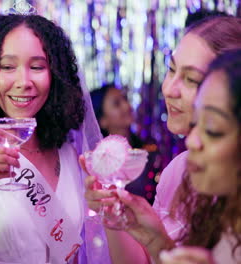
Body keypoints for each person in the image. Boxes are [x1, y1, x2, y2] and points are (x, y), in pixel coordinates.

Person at [0, 10, 110, 264]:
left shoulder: (66, 151)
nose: (24, 81)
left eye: (37, 67)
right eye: (8, 67)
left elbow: (70, 252)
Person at [83, 16, 241, 264]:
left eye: (191, 79)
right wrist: (150, 237)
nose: (169, 89)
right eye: (171, 69)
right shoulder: (177, 171)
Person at [159, 49, 241, 264]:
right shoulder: (218, 218)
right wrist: (153, 239)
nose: (191, 141)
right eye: (196, 122)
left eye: (213, 129)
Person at [90, 83, 160, 203]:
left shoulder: (145, 151)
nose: (127, 106)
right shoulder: (97, 160)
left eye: (125, 99)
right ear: (102, 120)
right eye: (117, 104)